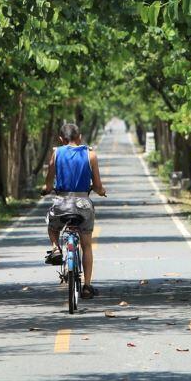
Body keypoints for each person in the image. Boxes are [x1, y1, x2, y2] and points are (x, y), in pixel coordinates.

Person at [43, 122, 106, 299]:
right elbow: (98, 186)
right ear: (80, 138)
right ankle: (87, 286)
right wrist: (101, 191)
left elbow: (48, 183)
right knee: (86, 245)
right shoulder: (90, 155)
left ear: (61, 139)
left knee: (52, 225)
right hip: (83, 205)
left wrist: (46, 189)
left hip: (62, 203)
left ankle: (55, 248)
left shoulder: (56, 153)